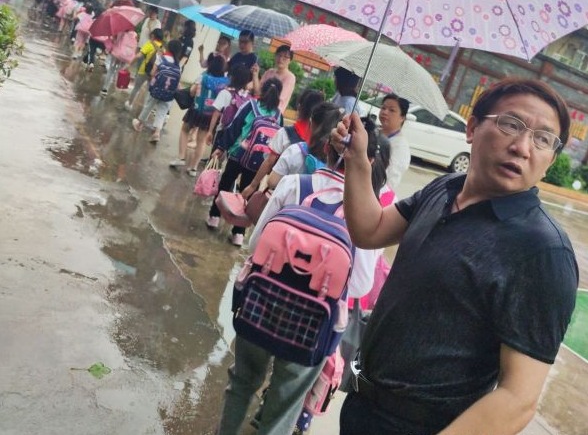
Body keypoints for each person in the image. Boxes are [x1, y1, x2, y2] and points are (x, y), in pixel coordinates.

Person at [334, 77, 579, 435]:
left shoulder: (543, 251)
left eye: (543, 139)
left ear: (549, 160)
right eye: (512, 124)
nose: (523, 147)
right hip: (362, 406)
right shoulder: (444, 188)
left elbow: (517, 397)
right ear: (472, 127)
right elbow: (370, 230)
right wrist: (358, 160)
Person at [214, 116, 390, 435]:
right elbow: (360, 284)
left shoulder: (295, 185)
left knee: (241, 384)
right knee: (285, 403)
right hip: (313, 327)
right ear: (369, 160)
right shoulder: (367, 214)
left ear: (325, 148)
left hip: (260, 306)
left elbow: (256, 245)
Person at [207, 78, 282, 246]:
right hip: (258, 162)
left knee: (225, 184)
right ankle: (238, 233)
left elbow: (234, 127)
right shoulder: (278, 116)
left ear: (262, 89)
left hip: (238, 153)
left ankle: (214, 216)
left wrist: (221, 147)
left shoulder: (250, 105)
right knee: (247, 193)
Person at [240, 88, 326, 200]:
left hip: (279, 193)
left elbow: (269, 162)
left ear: (299, 107)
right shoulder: (324, 143)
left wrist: (253, 185)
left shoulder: (285, 134)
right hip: (306, 198)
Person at [169, 54, 229, 174]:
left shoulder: (204, 76)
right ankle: (194, 168)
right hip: (211, 115)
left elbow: (191, 92)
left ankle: (181, 157)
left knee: (185, 130)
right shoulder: (225, 82)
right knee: (201, 141)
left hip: (197, 110)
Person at [132, 39, 183, 143]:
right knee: (162, 112)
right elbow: (177, 82)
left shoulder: (161, 58)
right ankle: (156, 133)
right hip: (169, 94)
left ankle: (139, 124)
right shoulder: (178, 65)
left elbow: (152, 73)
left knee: (149, 106)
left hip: (156, 89)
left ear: (168, 47)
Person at [204, 63, 253, 150]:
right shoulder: (247, 97)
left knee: (214, 158)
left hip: (222, 131)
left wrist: (210, 131)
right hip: (237, 134)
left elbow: (216, 113)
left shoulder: (225, 93)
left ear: (232, 77)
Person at [377, 93, 411, 199]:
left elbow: (390, 179)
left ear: (402, 117)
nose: (385, 112)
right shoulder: (373, 132)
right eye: (383, 108)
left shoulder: (400, 146)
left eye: (392, 110)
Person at [124, 28, 164, 110]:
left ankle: (129, 104)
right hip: (154, 73)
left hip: (143, 70)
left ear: (153, 35)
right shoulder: (162, 49)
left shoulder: (149, 44)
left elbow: (139, 56)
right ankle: (144, 111)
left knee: (136, 88)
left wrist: (129, 64)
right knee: (149, 92)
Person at [254, 44, 297, 114]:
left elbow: (280, 98)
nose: (280, 59)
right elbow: (257, 92)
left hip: (273, 114)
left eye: (285, 57)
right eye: (279, 55)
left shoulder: (290, 77)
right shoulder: (269, 72)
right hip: (259, 108)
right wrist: (255, 75)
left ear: (290, 61)